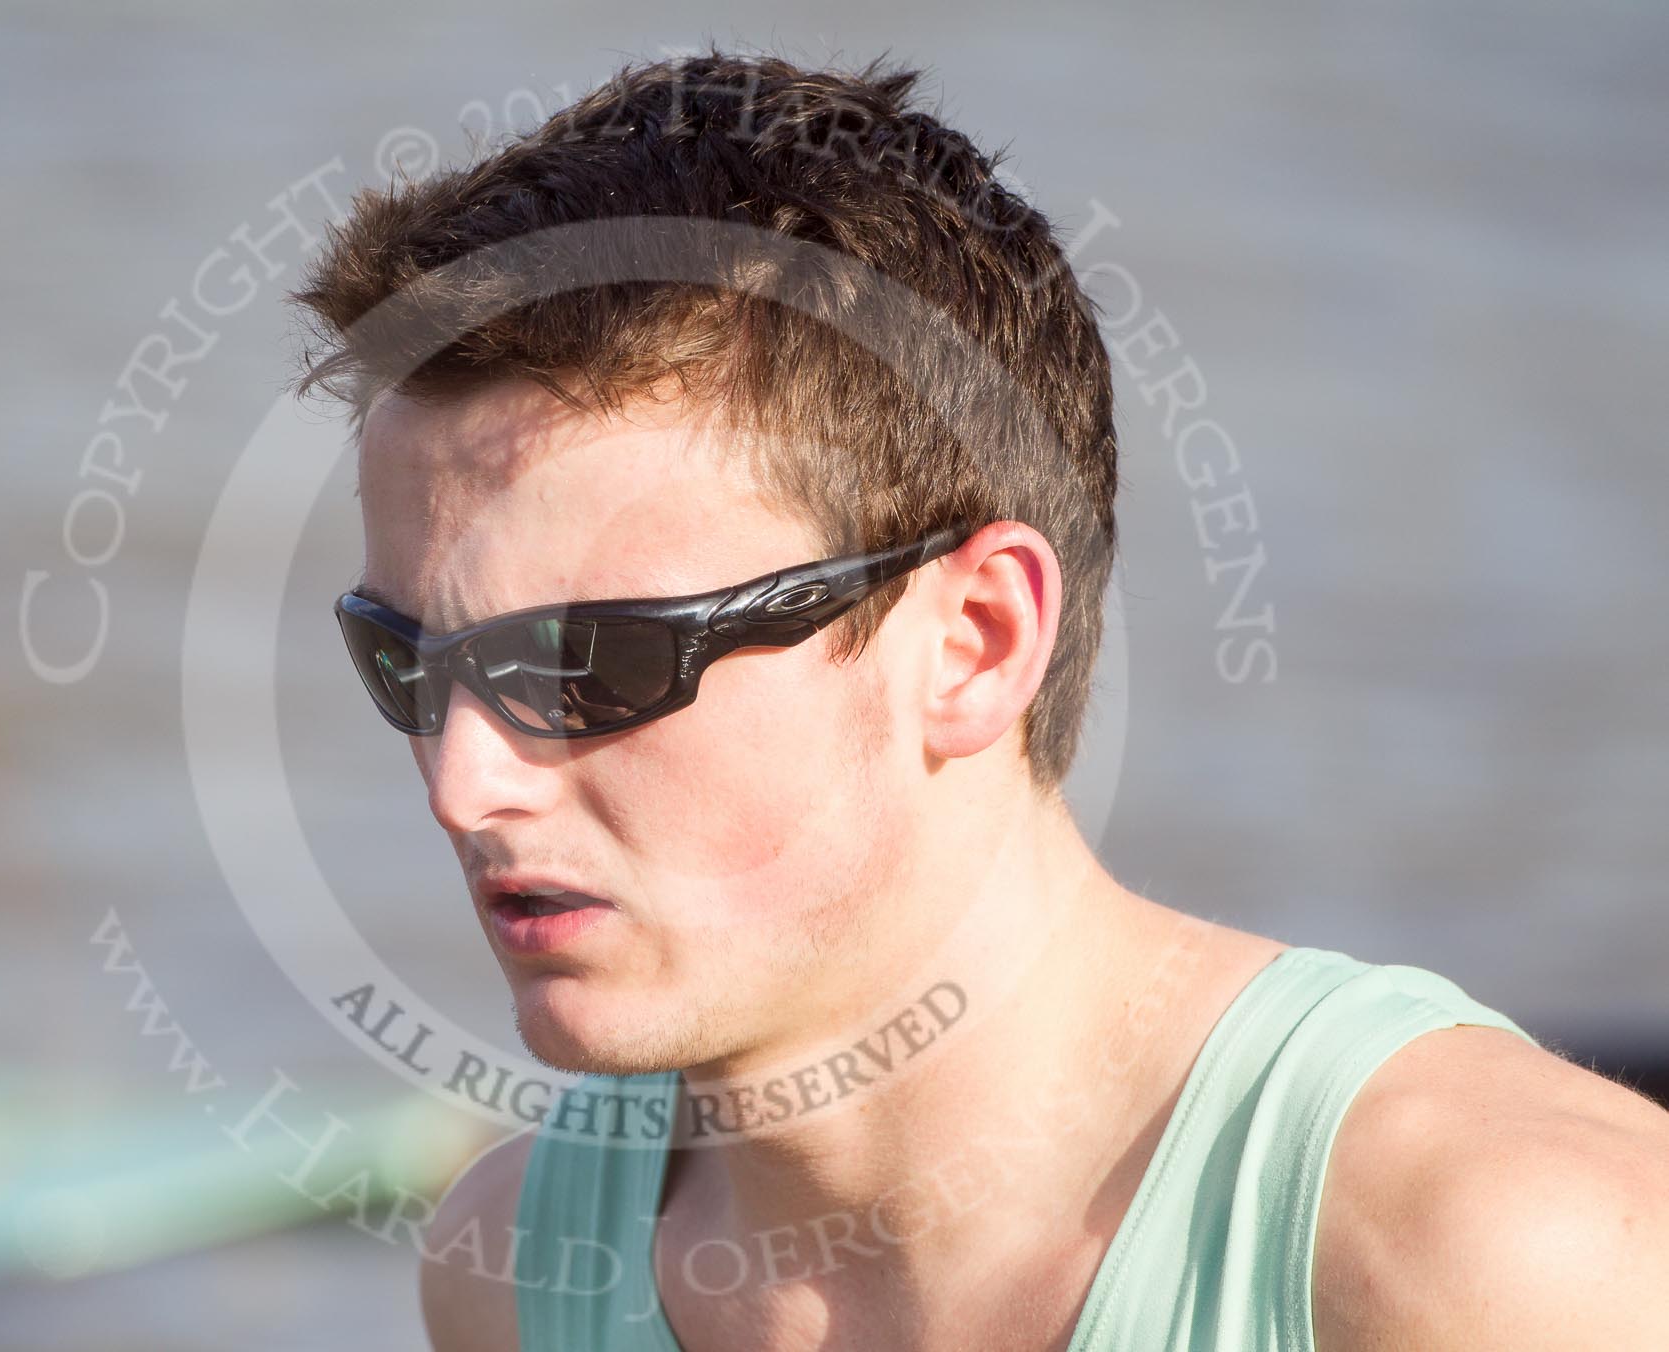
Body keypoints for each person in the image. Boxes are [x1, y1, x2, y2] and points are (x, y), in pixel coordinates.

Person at [293, 46, 1669, 1351]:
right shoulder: (514, 1272)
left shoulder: (1509, 1257)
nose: (461, 783)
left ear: (975, 639)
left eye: (591, 664)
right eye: (407, 662)